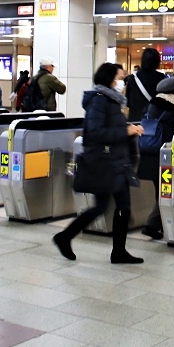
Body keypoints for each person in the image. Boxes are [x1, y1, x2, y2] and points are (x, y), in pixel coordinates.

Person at [53, 62, 144, 264]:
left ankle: (117, 251)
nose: (123, 81)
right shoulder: (99, 102)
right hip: (105, 163)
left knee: (120, 206)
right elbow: (94, 132)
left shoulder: (113, 101)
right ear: (110, 79)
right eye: (120, 77)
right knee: (104, 207)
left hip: (116, 162)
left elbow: (110, 127)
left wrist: (130, 128)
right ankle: (66, 237)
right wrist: (125, 131)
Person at [138, 76, 174, 240]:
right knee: (166, 192)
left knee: (160, 191)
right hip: (166, 156)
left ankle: (158, 226)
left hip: (148, 155)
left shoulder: (148, 107)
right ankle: (152, 226)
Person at [126, 48, 166, 122]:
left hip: (134, 119)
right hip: (154, 120)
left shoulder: (132, 78)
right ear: (157, 61)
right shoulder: (161, 78)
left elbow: (128, 101)